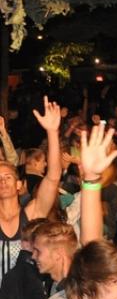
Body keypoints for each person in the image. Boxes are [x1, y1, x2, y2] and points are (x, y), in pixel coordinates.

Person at [0, 96, 62, 282]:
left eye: (8, 177)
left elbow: (53, 177)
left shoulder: (32, 213)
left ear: (19, 185)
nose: (3, 182)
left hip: (29, 296)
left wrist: (52, 132)